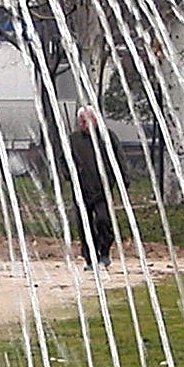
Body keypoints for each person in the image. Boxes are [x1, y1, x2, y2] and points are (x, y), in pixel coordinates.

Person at [69, 106, 117, 266]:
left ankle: (104, 250)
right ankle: (90, 257)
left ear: (95, 120)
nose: (84, 124)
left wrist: (121, 179)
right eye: (81, 121)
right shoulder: (73, 140)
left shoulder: (107, 137)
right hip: (81, 189)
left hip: (102, 189)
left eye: (86, 120)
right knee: (84, 224)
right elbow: (63, 159)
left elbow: (118, 159)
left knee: (103, 220)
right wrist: (69, 175)